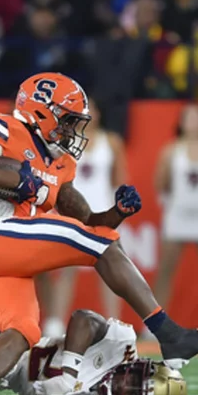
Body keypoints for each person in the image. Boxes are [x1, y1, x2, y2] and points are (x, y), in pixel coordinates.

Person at [0, 72, 198, 395]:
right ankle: (168, 333)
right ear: (42, 112)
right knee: (97, 245)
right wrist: (14, 178)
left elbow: (89, 221)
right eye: (68, 120)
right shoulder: (4, 128)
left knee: (24, 329)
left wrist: (115, 213)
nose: (73, 131)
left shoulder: (59, 162)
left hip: (0, 263)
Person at [3, 309, 187, 395]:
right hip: (16, 340)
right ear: (139, 366)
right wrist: (68, 376)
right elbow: (83, 318)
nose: (124, 386)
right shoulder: (121, 344)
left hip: (7, 377)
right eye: (134, 379)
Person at [46, 97, 127, 337]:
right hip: (73, 211)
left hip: (102, 212)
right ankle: (55, 322)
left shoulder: (110, 142)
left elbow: (118, 180)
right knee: (66, 269)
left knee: (111, 268)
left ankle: (116, 323)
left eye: (93, 109)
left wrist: (118, 211)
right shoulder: (65, 143)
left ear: (100, 114)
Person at [153, 102, 198, 330]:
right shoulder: (171, 151)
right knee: (165, 271)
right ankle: (156, 324)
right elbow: (161, 183)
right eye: (188, 118)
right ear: (181, 123)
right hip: (178, 215)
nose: (193, 123)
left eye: (197, 118)